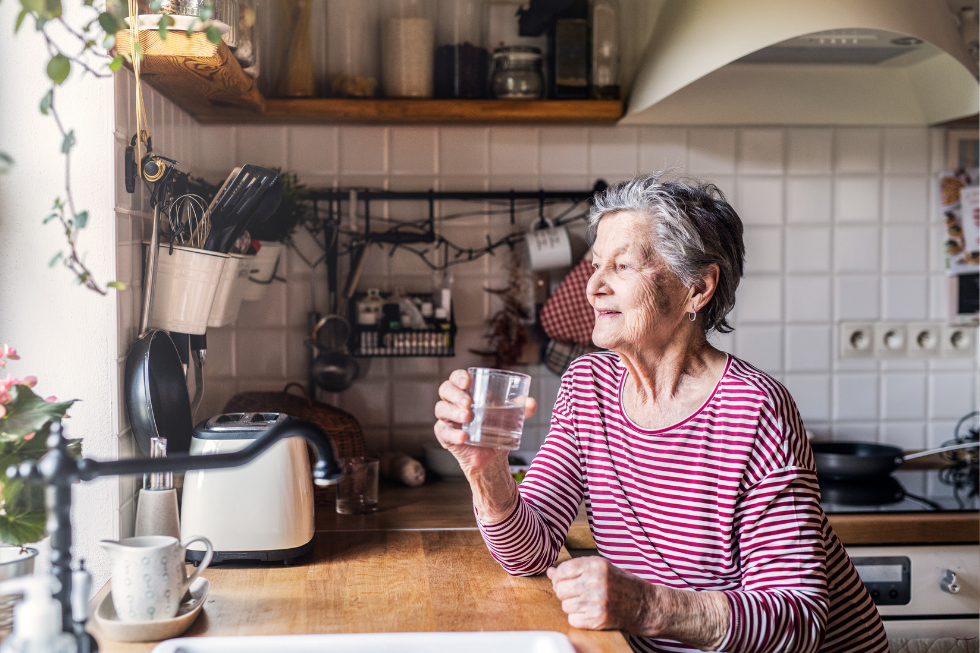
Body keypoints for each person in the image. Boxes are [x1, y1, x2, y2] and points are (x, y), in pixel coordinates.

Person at [432, 174, 888, 653]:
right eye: (596, 265)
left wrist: (645, 607)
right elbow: (531, 551)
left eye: (623, 265)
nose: (593, 287)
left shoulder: (755, 409)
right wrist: (486, 472)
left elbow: (796, 622)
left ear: (697, 287)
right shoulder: (589, 386)